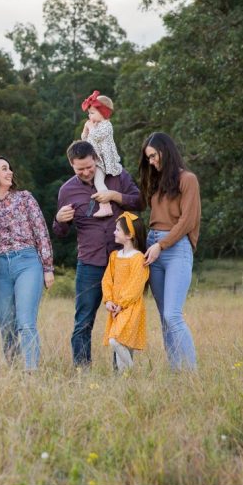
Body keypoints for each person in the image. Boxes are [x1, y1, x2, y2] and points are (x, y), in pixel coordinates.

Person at [53, 140, 142, 369]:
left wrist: (114, 196)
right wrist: (59, 221)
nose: (86, 172)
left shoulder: (118, 177)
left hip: (121, 261)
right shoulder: (67, 190)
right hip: (89, 263)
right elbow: (61, 233)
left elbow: (139, 201)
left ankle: (121, 371)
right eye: (79, 169)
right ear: (71, 165)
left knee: (123, 318)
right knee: (83, 320)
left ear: (96, 159)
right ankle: (82, 370)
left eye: (89, 166)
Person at [0, 154, 54, 372]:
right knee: (6, 325)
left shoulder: (24, 198)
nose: (10, 172)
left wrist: (47, 268)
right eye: (4, 169)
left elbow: (41, 231)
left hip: (27, 262)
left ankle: (31, 372)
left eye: (10, 168)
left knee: (26, 322)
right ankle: (14, 372)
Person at [138, 132, 201, 370]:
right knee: (165, 318)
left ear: (165, 151)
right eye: (148, 158)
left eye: (153, 156)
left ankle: (191, 373)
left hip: (175, 248)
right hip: (153, 248)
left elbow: (188, 221)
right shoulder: (156, 182)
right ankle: (177, 372)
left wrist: (161, 245)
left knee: (173, 315)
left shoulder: (188, 179)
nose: (152, 161)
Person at [102, 212, 149, 372]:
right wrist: (108, 300)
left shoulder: (138, 258)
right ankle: (124, 380)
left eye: (117, 230)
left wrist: (121, 304)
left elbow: (135, 286)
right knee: (122, 342)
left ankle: (131, 370)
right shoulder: (115, 256)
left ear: (129, 235)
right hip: (115, 306)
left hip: (130, 307)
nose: (114, 232)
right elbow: (107, 279)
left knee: (116, 340)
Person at [80, 91, 123, 218]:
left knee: (99, 182)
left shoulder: (106, 126)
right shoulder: (96, 125)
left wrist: (91, 128)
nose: (89, 116)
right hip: (95, 159)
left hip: (103, 160)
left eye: (92, 113)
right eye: (89, 113)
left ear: (103, 113)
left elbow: (97, 136)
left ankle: (106, 207)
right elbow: (85, 139)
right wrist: (86, 129)